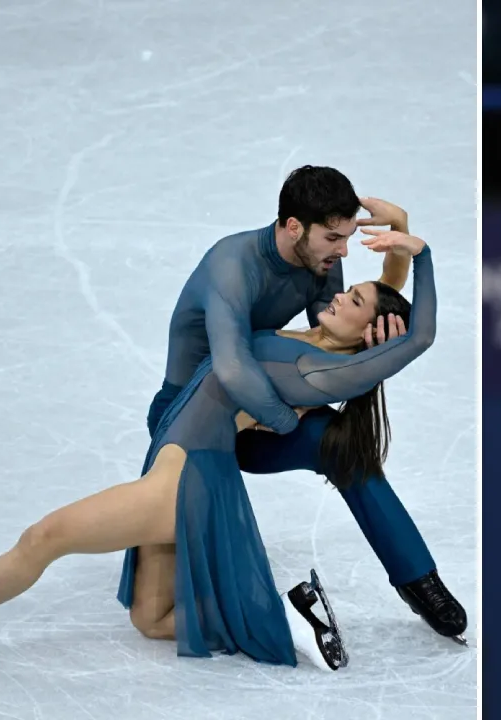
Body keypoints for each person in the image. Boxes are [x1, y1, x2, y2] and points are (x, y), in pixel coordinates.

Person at [0, 229, 437, 674]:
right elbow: (380, 301)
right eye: (348, 288)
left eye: (354, 301)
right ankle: (290, 617)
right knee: (152, 621)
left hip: (185, 480)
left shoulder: (328, 372)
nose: (338, 294)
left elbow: (419, 335)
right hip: (179, 457)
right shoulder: (312, 335)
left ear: (368, 337)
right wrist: (397, 254)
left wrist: (425, 257)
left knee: (42, 538)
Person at [145, 166, 465, 643]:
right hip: (189, 421)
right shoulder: (231, 265)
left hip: (260, 414)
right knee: (153, 611)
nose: (342, 253)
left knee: (344, 451)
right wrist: (281, 417)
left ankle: (420, 580)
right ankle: (275, 618)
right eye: (334, 238)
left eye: (347, 238)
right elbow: (232, 368)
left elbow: (334, 331)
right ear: (294, 226)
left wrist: (373, 340)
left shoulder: (320, 261)